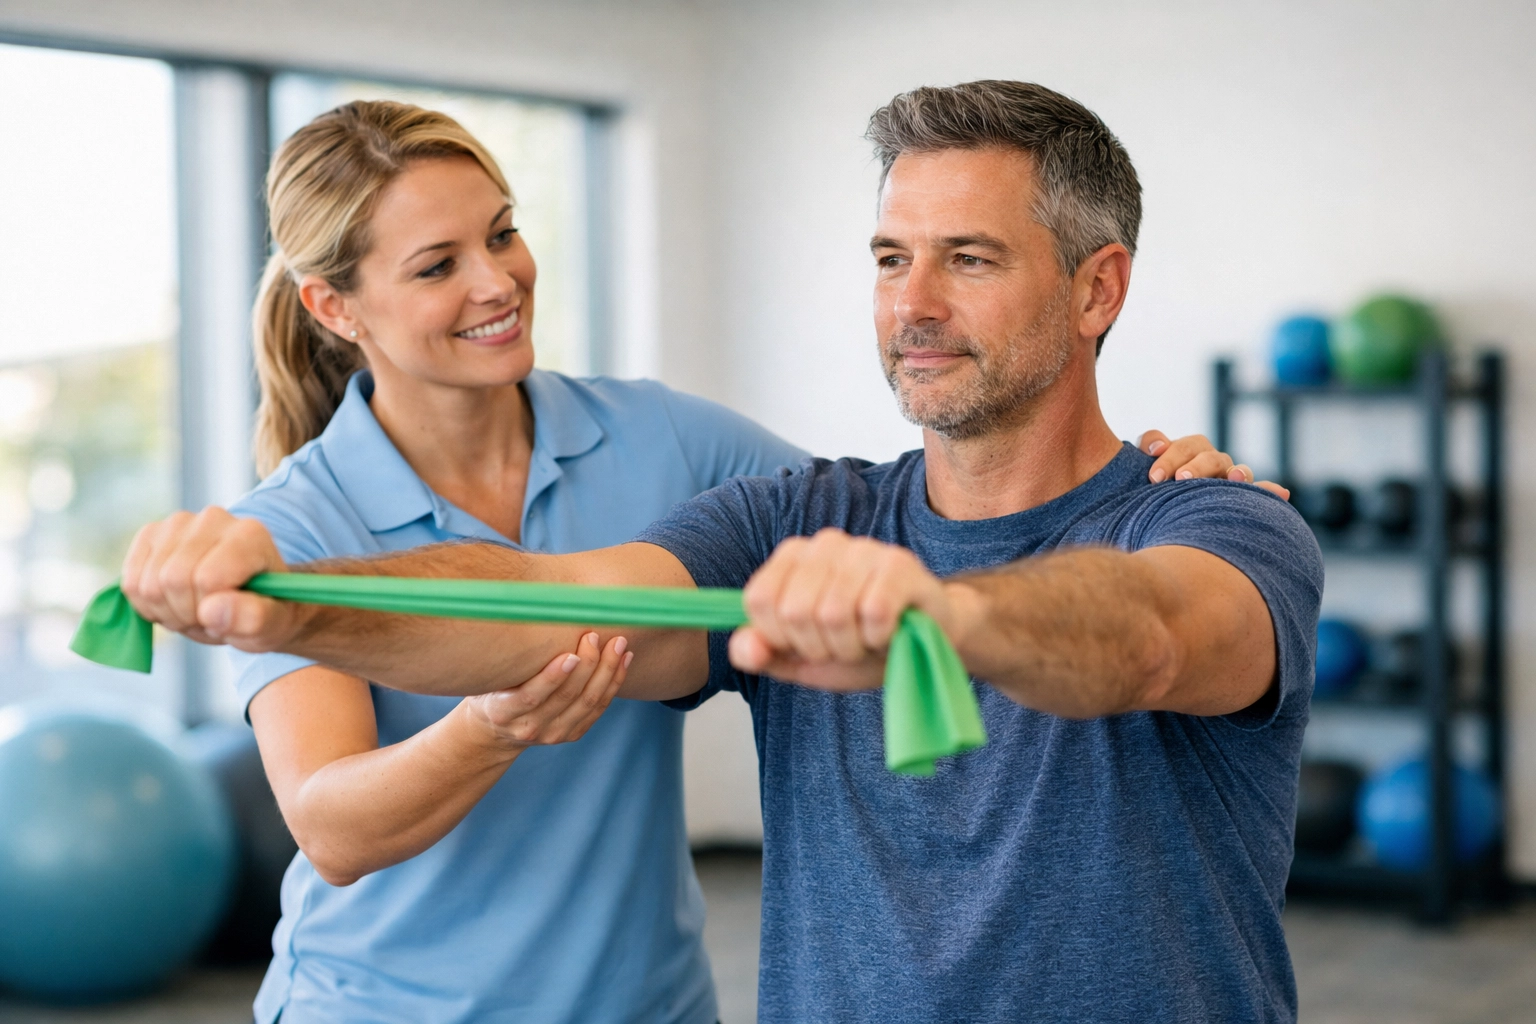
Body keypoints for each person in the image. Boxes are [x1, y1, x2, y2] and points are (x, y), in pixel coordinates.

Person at [124, 82, 1319, 1022]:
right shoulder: (788, 522)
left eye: (970, 257)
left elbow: (1152, 635)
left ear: (1096, 287)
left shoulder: (1218, 522)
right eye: (890, 258)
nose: (912, 305)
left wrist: (951, 615)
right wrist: (276, 608)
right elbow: (547, 605)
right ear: (337, 306)